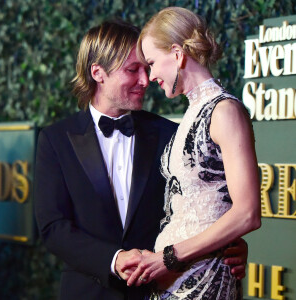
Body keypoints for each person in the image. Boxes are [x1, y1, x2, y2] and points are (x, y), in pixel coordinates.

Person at [34, 19, 249, 300]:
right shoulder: (56, 140)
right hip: (88, 292)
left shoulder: (171, 134)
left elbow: (201, 205)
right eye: (132, 70)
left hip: (162, 289)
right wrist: (114, 259)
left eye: (147, 69)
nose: (145, 81)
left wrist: (229, 246)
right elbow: (53, 227)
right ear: (98, 72)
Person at [122, 7, 261, 300]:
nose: (150, 76)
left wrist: (168, 258)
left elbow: (247, 213)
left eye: (151, 63)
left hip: (206, 281)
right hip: (170, 284)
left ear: (177, 53)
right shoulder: (188, 115)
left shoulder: (225, 111)